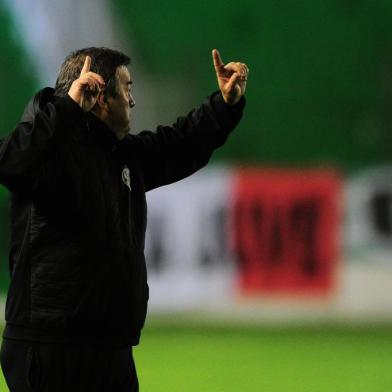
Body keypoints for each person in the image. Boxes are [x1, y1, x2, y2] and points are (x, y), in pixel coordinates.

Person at [0, 46, 248, 391]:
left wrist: (223, 107)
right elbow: (8, 163)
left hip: (109, 347)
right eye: (127, 88)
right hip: (51, 347)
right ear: (100, 95)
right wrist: (67, 108)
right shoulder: (46, 150)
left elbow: (178, 144)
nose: (132, 101)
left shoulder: (121, 155)